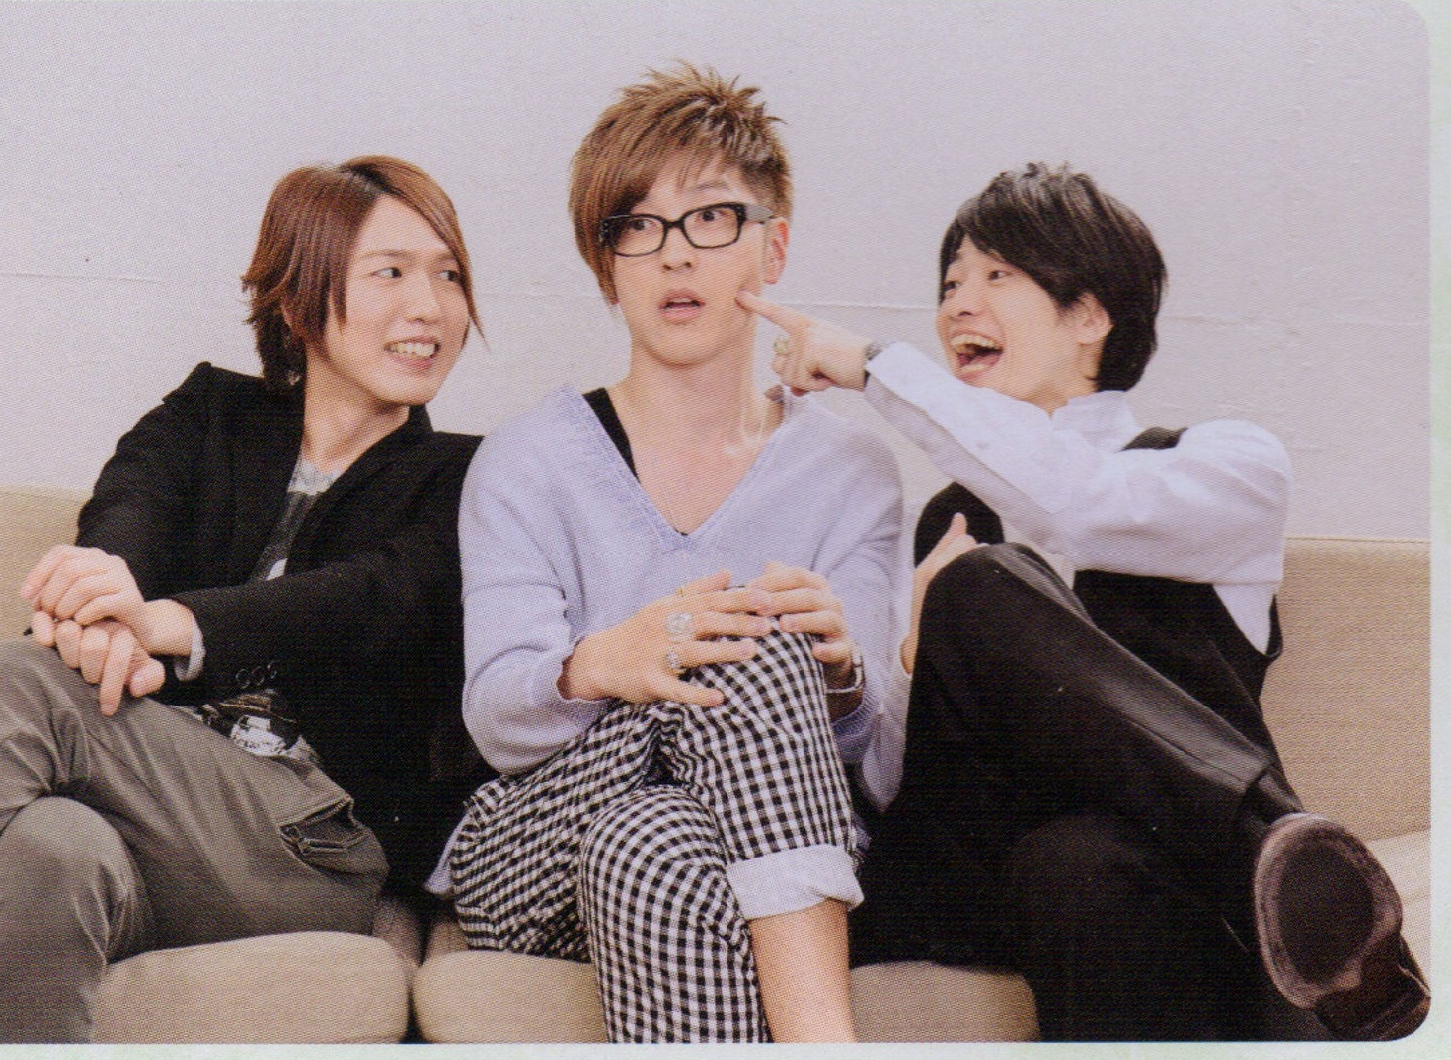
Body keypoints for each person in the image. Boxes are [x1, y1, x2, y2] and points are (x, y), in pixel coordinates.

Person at [744, 162, 1429, 1041]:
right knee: (976, 586)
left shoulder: (1225, 466)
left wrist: (875, 368)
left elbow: (1072, 503)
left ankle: (1291, 900)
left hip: (1146, 874)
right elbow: (886, 786)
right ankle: (1275, 858)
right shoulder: (943, 525)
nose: (957, 307)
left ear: (1090, 315)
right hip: (967, 875)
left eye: (997, 275)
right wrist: (917, 656)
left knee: (1079, 860)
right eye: (949, 285)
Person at [0, 155, 491, 1043]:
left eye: (449, 275)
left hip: (314, 845)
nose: (430, 307)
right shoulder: (210, 411)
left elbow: (378, 596)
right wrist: (108, 606)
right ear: (297, 300)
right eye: (391, 272)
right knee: (50, 850)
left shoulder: (468, 478)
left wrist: (172, 623)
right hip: (151, 821)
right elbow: (129, 508)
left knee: (12, 680)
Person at [435, 65, 903, 1042]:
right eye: (637, 226)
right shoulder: (529, 457)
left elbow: (872, 768)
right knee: (745, 648)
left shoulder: (852, 471)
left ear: (773, 247)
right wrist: (609, 661)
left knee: (650, 844)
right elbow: (497, 724)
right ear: (606, 265)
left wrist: (846, 676)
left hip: (734, 847)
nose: (674, 254)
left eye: (711, 219)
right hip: (533, 848)